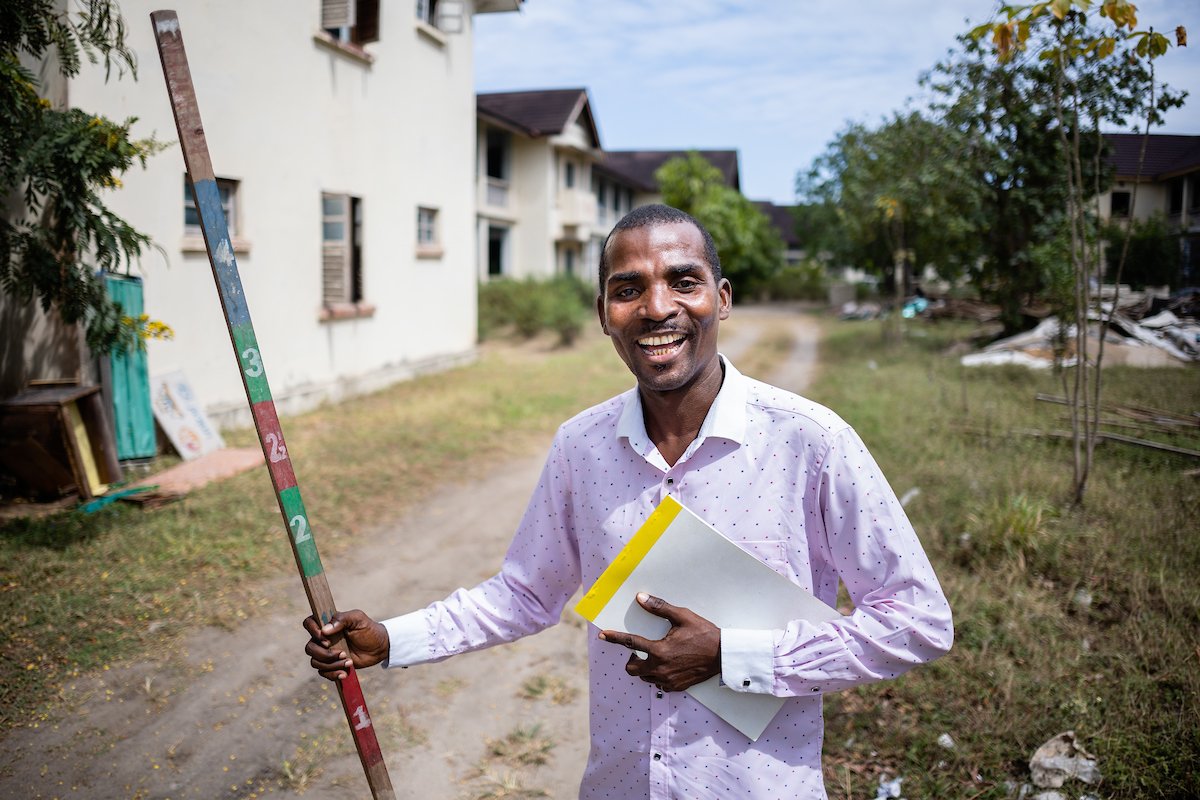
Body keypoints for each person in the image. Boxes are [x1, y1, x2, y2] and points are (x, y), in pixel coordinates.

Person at [303, 204, 953, 798]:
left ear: (721, 299)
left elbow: (919, 620)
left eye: (683, 281)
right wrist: (390, 640)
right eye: (628, 289)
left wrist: (733, 656)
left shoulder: (811, 443)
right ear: (604, 312)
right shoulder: (580, 448)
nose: (655, 307)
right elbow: (527, 594)